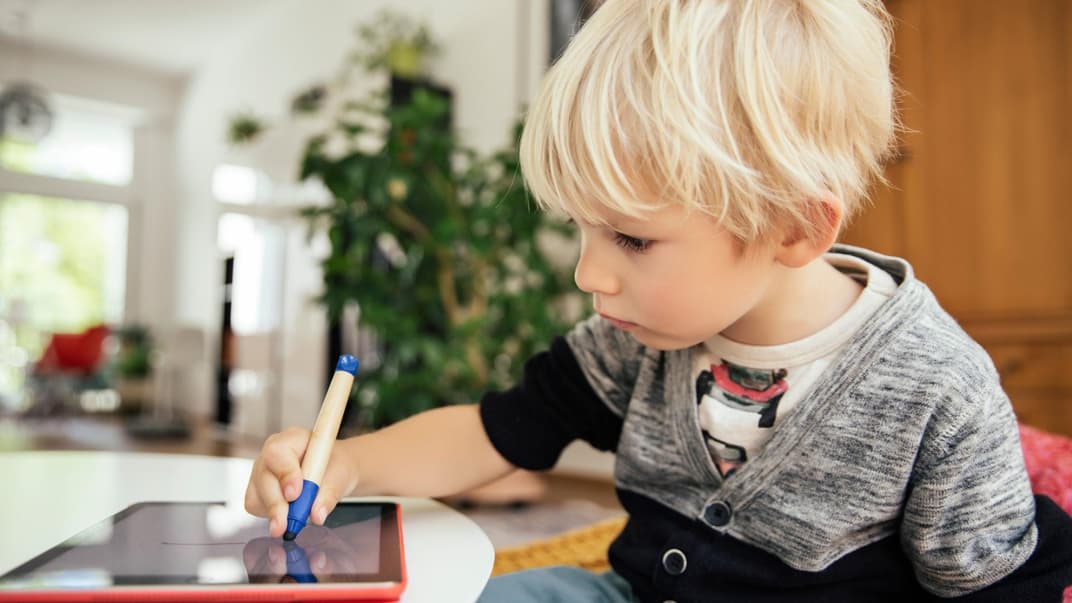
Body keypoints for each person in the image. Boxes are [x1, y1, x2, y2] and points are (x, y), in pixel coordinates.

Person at [245, 0, 1072, 600]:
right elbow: (495, 431)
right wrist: (349, 462)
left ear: (791, 228)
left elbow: (998, 586)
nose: (587, 275)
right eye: (584, 231)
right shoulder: (636, 339)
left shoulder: (938, 388)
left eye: (631, 240)